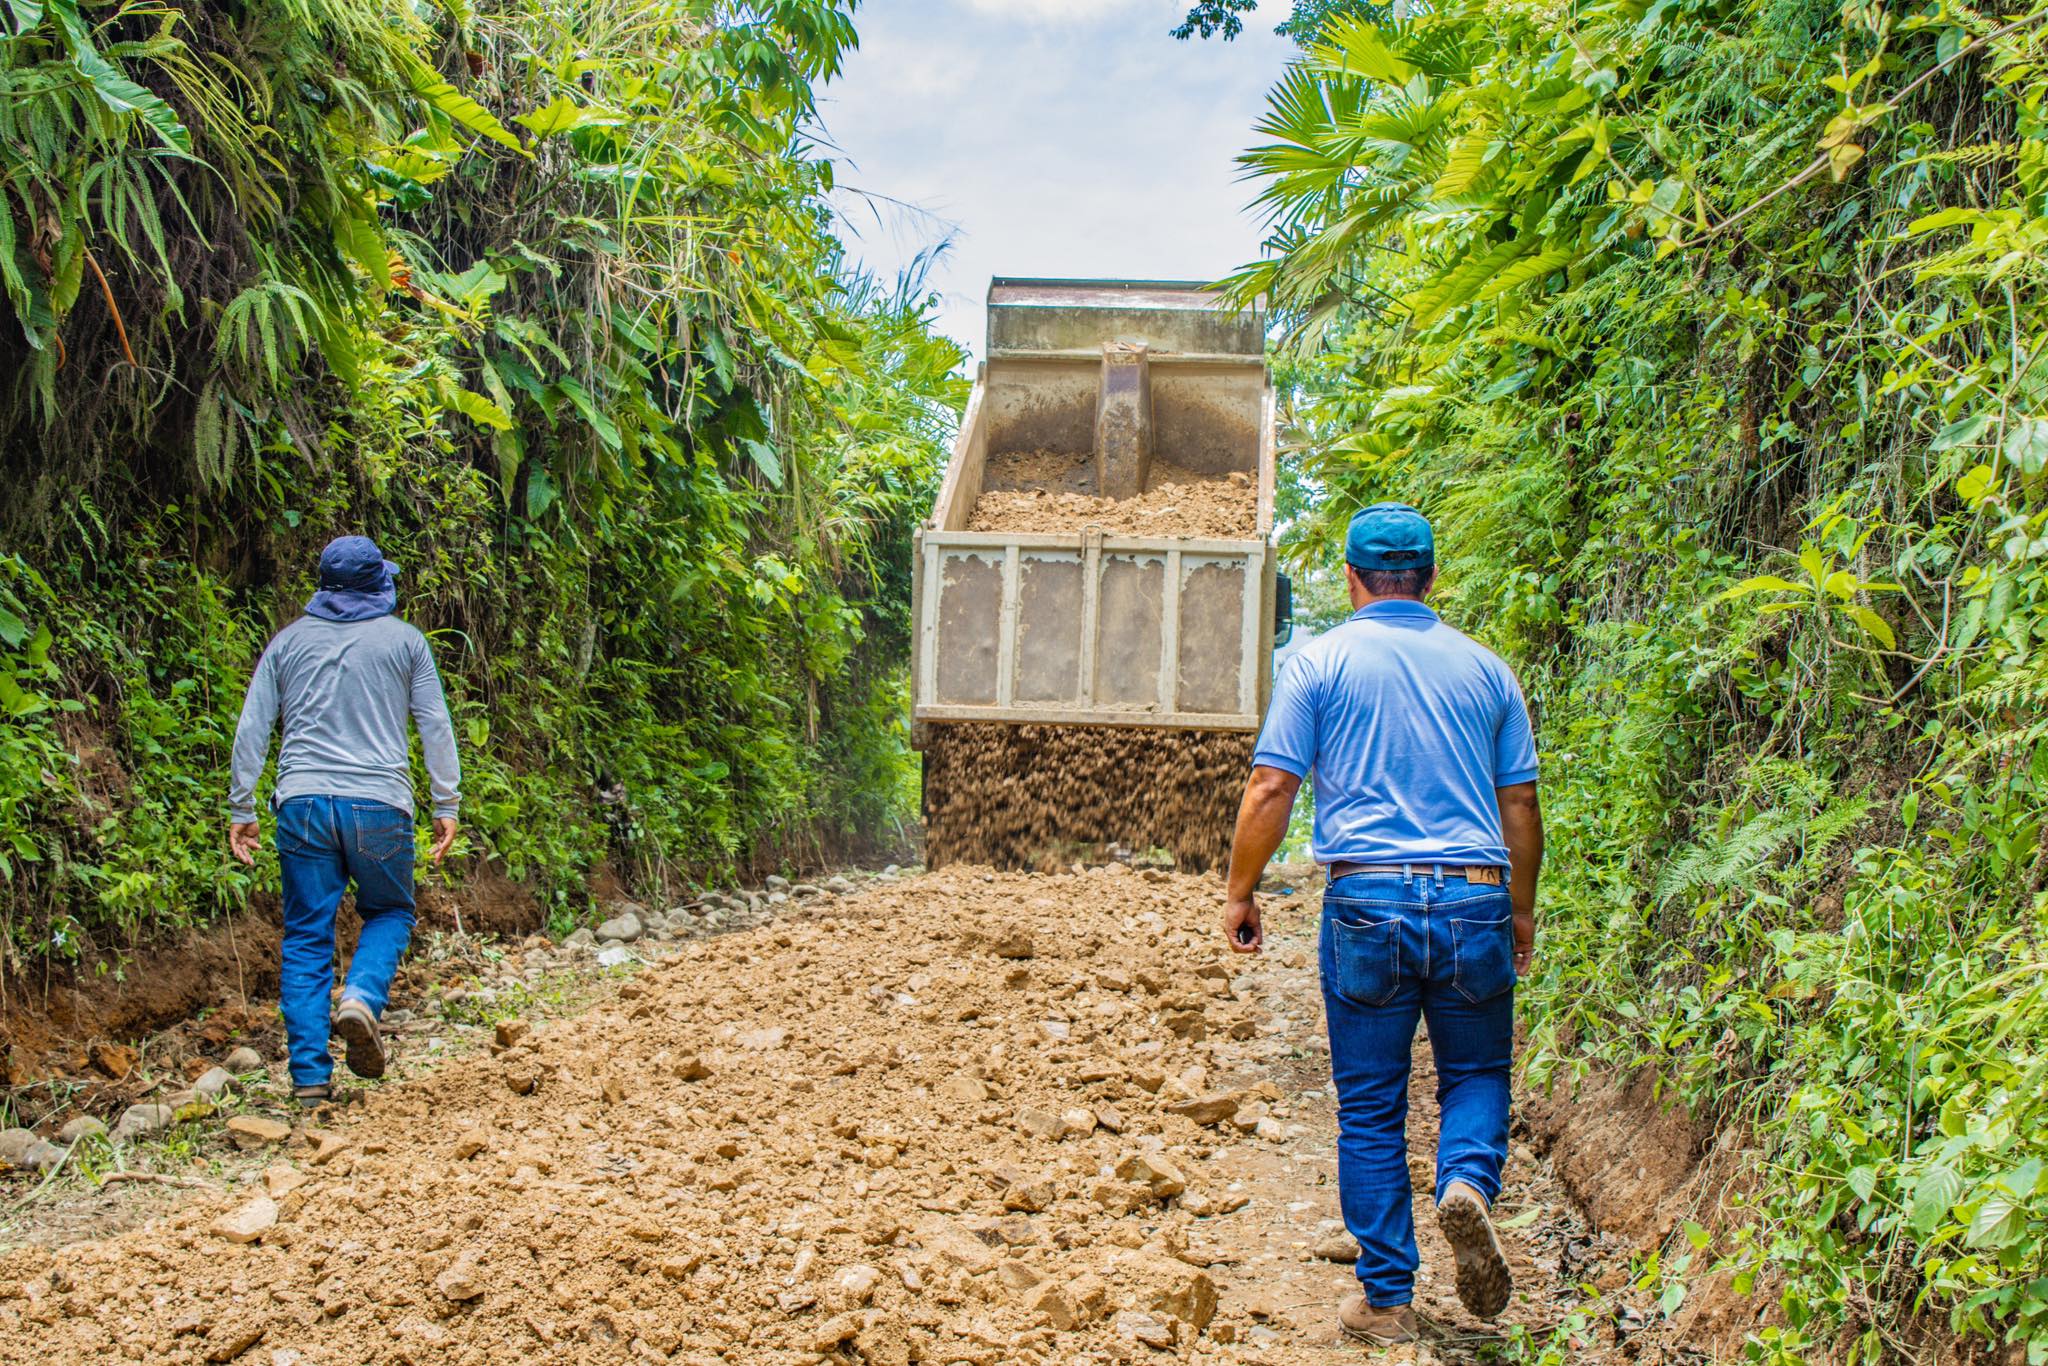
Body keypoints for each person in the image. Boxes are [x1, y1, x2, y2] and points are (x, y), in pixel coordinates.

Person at [1222, 502, 1542, 1346]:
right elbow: (1519, 803)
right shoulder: (1488, 671)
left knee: (1370, 1107)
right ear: (1431, 577)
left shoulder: (1319, 664)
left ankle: (1388, 1299)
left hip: (1366, 899)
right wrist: (1519, 910)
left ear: (1352, 579)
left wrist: (1240, 891)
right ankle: (1466, 1182)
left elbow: (1271, 787)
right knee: (1476, 1073)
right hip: (1475, 894)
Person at [228, 535, 461, 1107]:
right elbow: (434, 724)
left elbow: (253, 726)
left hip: (302, 803)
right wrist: (446, 803)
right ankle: (360, 998)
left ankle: (310, 1079)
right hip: (380, 804)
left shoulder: (287, 642)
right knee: (390, 911)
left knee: (307, 936)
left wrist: (242, 808)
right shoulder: (405, 642)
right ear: (378, 584)